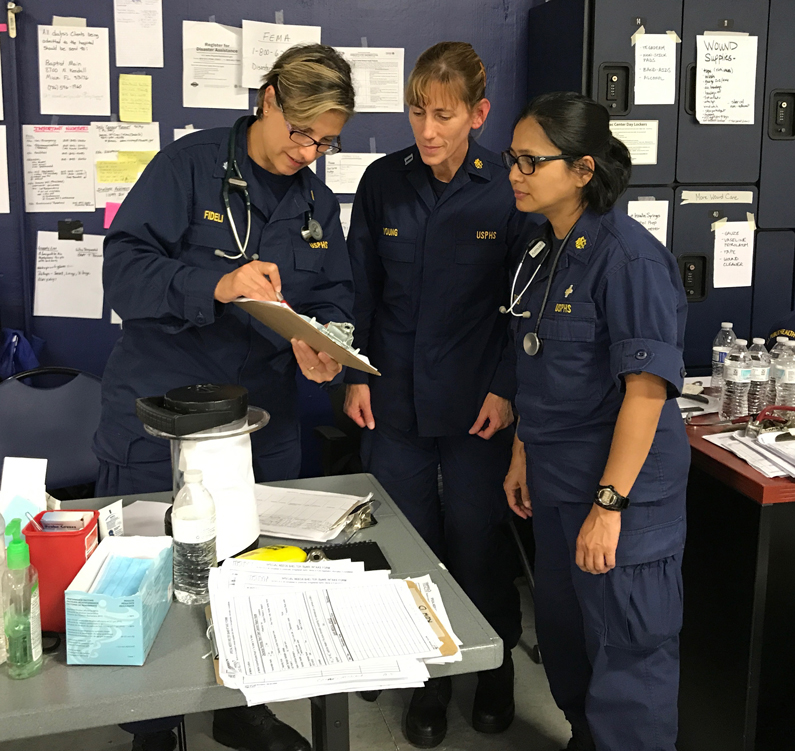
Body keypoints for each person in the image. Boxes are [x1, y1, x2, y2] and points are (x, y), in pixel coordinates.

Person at [94, 44, 356, 751]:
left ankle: (243, 706)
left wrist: (323, 342)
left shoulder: (315, 203)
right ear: (268, 98)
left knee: (251, 572)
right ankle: (155, 727)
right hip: (161, 419)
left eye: (326, 141)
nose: (309, 152)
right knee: (151, 579)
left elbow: (333, 294)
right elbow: (123, 274)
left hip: (257, 424)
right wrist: (216, 284)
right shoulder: (188, 167)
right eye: (301, 132)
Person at [343, 42, 536, 748]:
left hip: (476, 407)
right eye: (417, 111)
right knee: (407, 546)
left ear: (477, 114)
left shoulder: (507, 189)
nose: (426, 130)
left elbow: (524, 306)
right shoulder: (381, 181)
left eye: (443, 115)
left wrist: (506, 390)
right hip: (391, 399)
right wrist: (352, 372)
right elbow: (358, 290)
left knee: (476, 545)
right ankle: (424, 677)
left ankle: (493, 669)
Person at [502, 91, 690, 751]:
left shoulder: (628, 257)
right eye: (511, 159)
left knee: (625, 656)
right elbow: (540, 367)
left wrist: (609, 503)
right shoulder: (543, 249)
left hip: (620, 498)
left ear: (582, 169)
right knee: (565, 642)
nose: (515, 174)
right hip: (557, 483)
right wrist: (522, 452)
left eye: (531, 161)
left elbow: (646, 392)